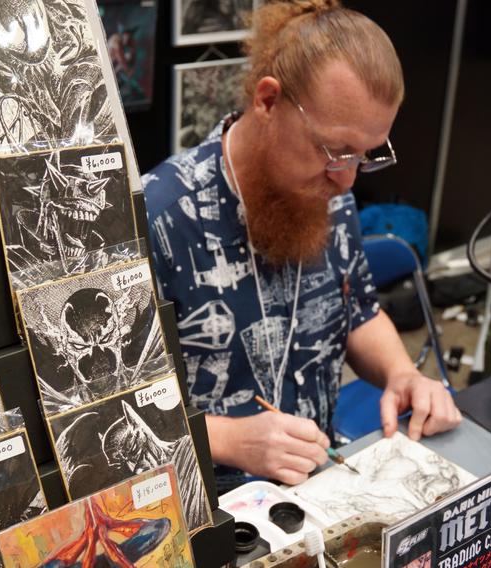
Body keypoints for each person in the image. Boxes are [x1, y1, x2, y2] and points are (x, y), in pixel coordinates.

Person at [143, 0, 462, 491]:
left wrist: (402, 374)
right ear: (268, 101)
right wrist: (227, 440)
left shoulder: (330, 195)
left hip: (321, 490)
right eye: (334, 151)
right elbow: (109, 421)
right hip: (206, 508)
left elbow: (358, 312)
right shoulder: (159, 218)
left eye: (365, 155)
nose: (348, 180)